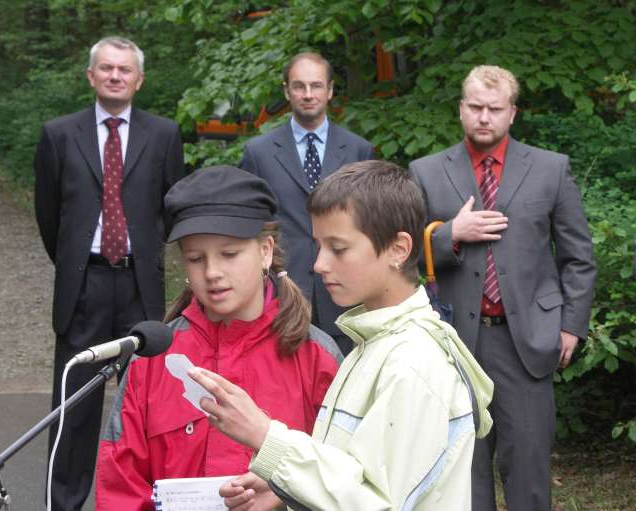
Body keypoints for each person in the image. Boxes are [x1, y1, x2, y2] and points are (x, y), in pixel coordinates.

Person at [188, 160, 494, 510]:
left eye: (338, 248)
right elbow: (360, 474)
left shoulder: (413, 363)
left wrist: (265, 435)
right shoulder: (375, 343)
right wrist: (288, 486)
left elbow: (379, 505)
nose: (319, 264)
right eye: (319, 246)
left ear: (398, 249)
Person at [95, 165, 341, 510]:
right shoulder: (151, 358)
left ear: (266, 251)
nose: (212, 272)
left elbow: (345, 483)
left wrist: (288, 494)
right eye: (196, 258)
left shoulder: (318, 357)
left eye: (229, 254)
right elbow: (120, 487)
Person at [409, 65, 597, 510]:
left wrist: (571, 325)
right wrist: (451, 234)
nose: (484, 117)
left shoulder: (551, 169)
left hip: (526, 340)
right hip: (454, 343)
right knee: (463, 475)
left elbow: (578, 256)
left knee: (529, 473)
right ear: (461, 109)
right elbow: (402, 251)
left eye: (494, 109)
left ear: (512, 113)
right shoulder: (425, 171)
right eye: (475, 107)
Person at [34, 36, 185, 510]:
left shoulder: (164, 134)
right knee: (75, 406)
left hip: (141, 286)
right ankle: (64, 503)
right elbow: (49, 216)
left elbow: (172, 206)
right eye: (106, 68)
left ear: (139, 80)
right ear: (91, 76)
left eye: (124, 69)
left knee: (150, 404)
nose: (115, 75)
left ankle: (150, 500)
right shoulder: (59, 134)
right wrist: (78, 265)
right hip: (84, 286)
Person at [240, 52, 375, 355]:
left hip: (346, 291)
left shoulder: (359, 150)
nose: (308, 94)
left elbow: (370, 225)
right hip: (281, 291)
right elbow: (250, 224)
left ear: (330, 90)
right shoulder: (258, 153)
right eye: (299, 86)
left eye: (316, 86)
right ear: (287, 91)